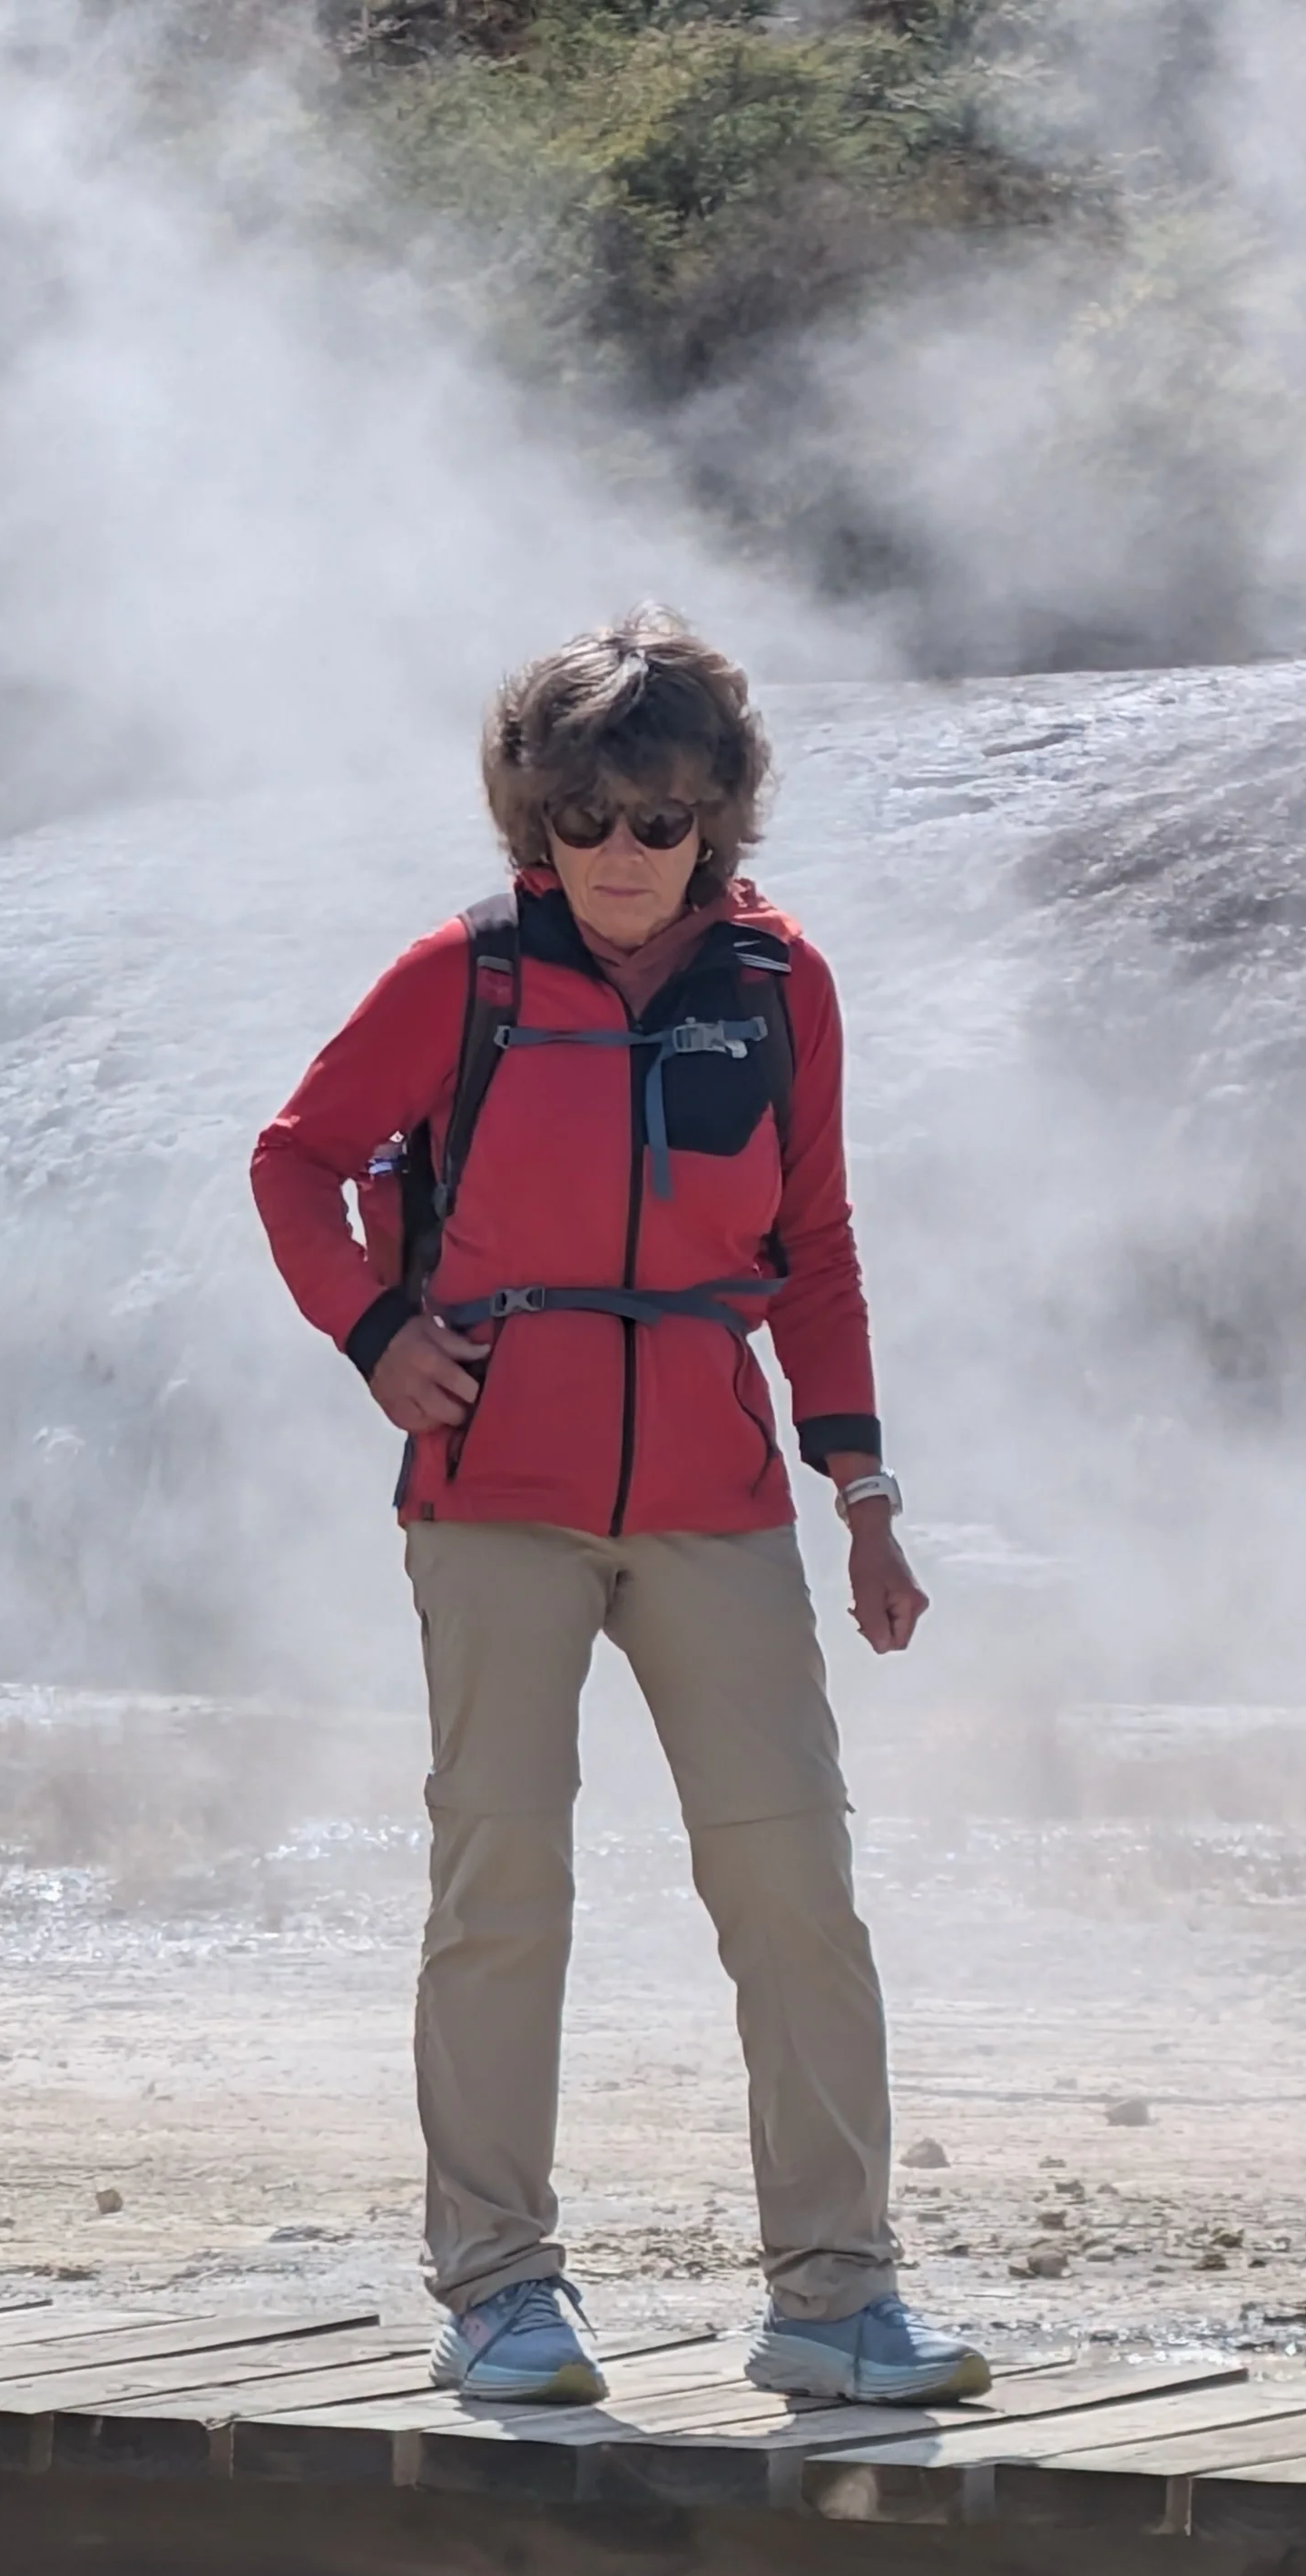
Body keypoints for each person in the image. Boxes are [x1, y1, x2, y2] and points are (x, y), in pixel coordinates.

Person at [241, 611, 986, 2413]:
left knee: (793, 1876)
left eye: (662, 817)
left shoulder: (781, 984)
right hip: (497, 1493)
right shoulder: (463, 978)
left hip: (717, 1499)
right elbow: (296, 1161)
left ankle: (837, 2297)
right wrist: (373, 1333)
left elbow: (815, 1246)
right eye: (589, 819)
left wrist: (864, 1491)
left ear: (716, 816)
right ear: (536, 820)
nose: (626, 855)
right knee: (505, 1882)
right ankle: (498, 2288)